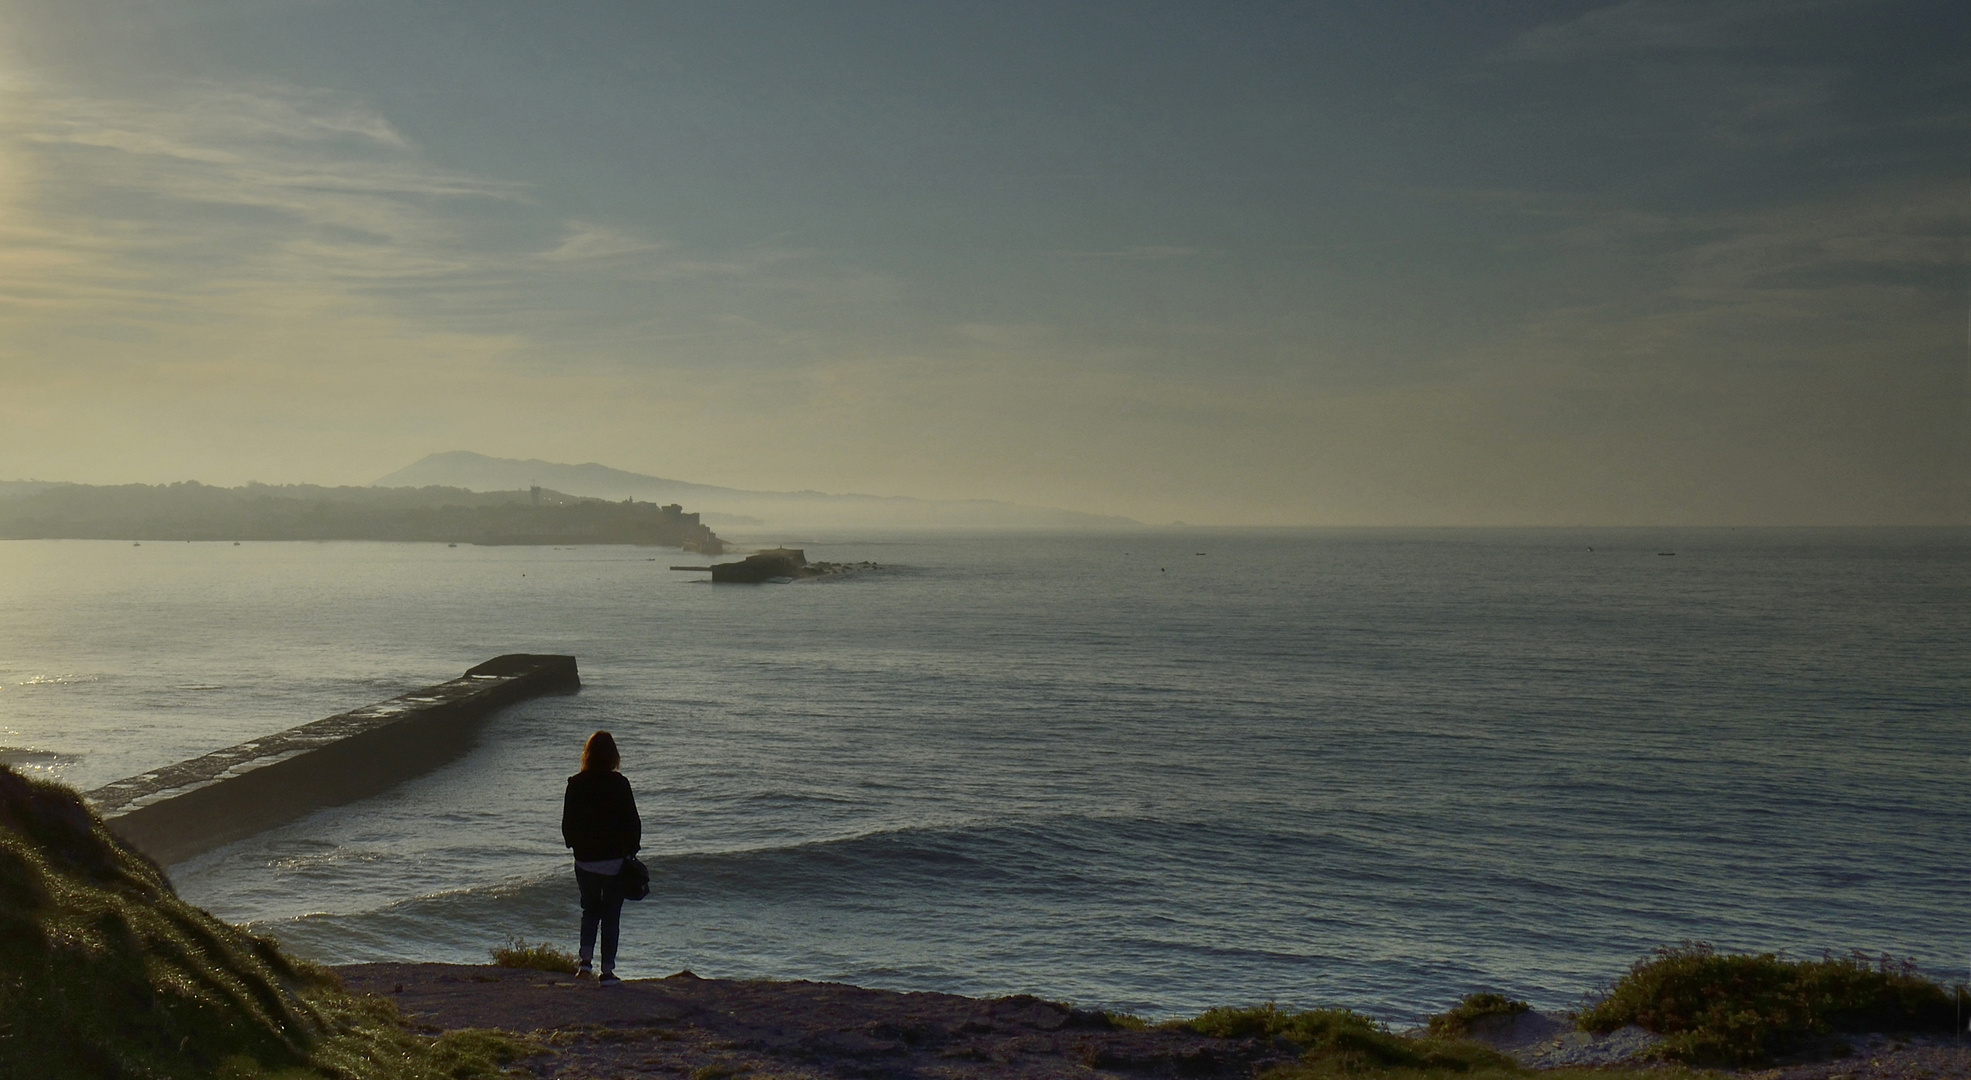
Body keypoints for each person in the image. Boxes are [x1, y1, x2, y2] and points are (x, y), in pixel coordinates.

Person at [561, 730, 641, 984]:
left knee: (589, 910)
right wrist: (631, 850)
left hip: (585, 860)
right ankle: (607, 972)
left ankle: (585, 963)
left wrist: (574, 846)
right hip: (614, 861)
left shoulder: (576, 783)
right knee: (611, 915)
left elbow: (568, 823)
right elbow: (633, 822)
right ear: (613, 756)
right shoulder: (620, 783)